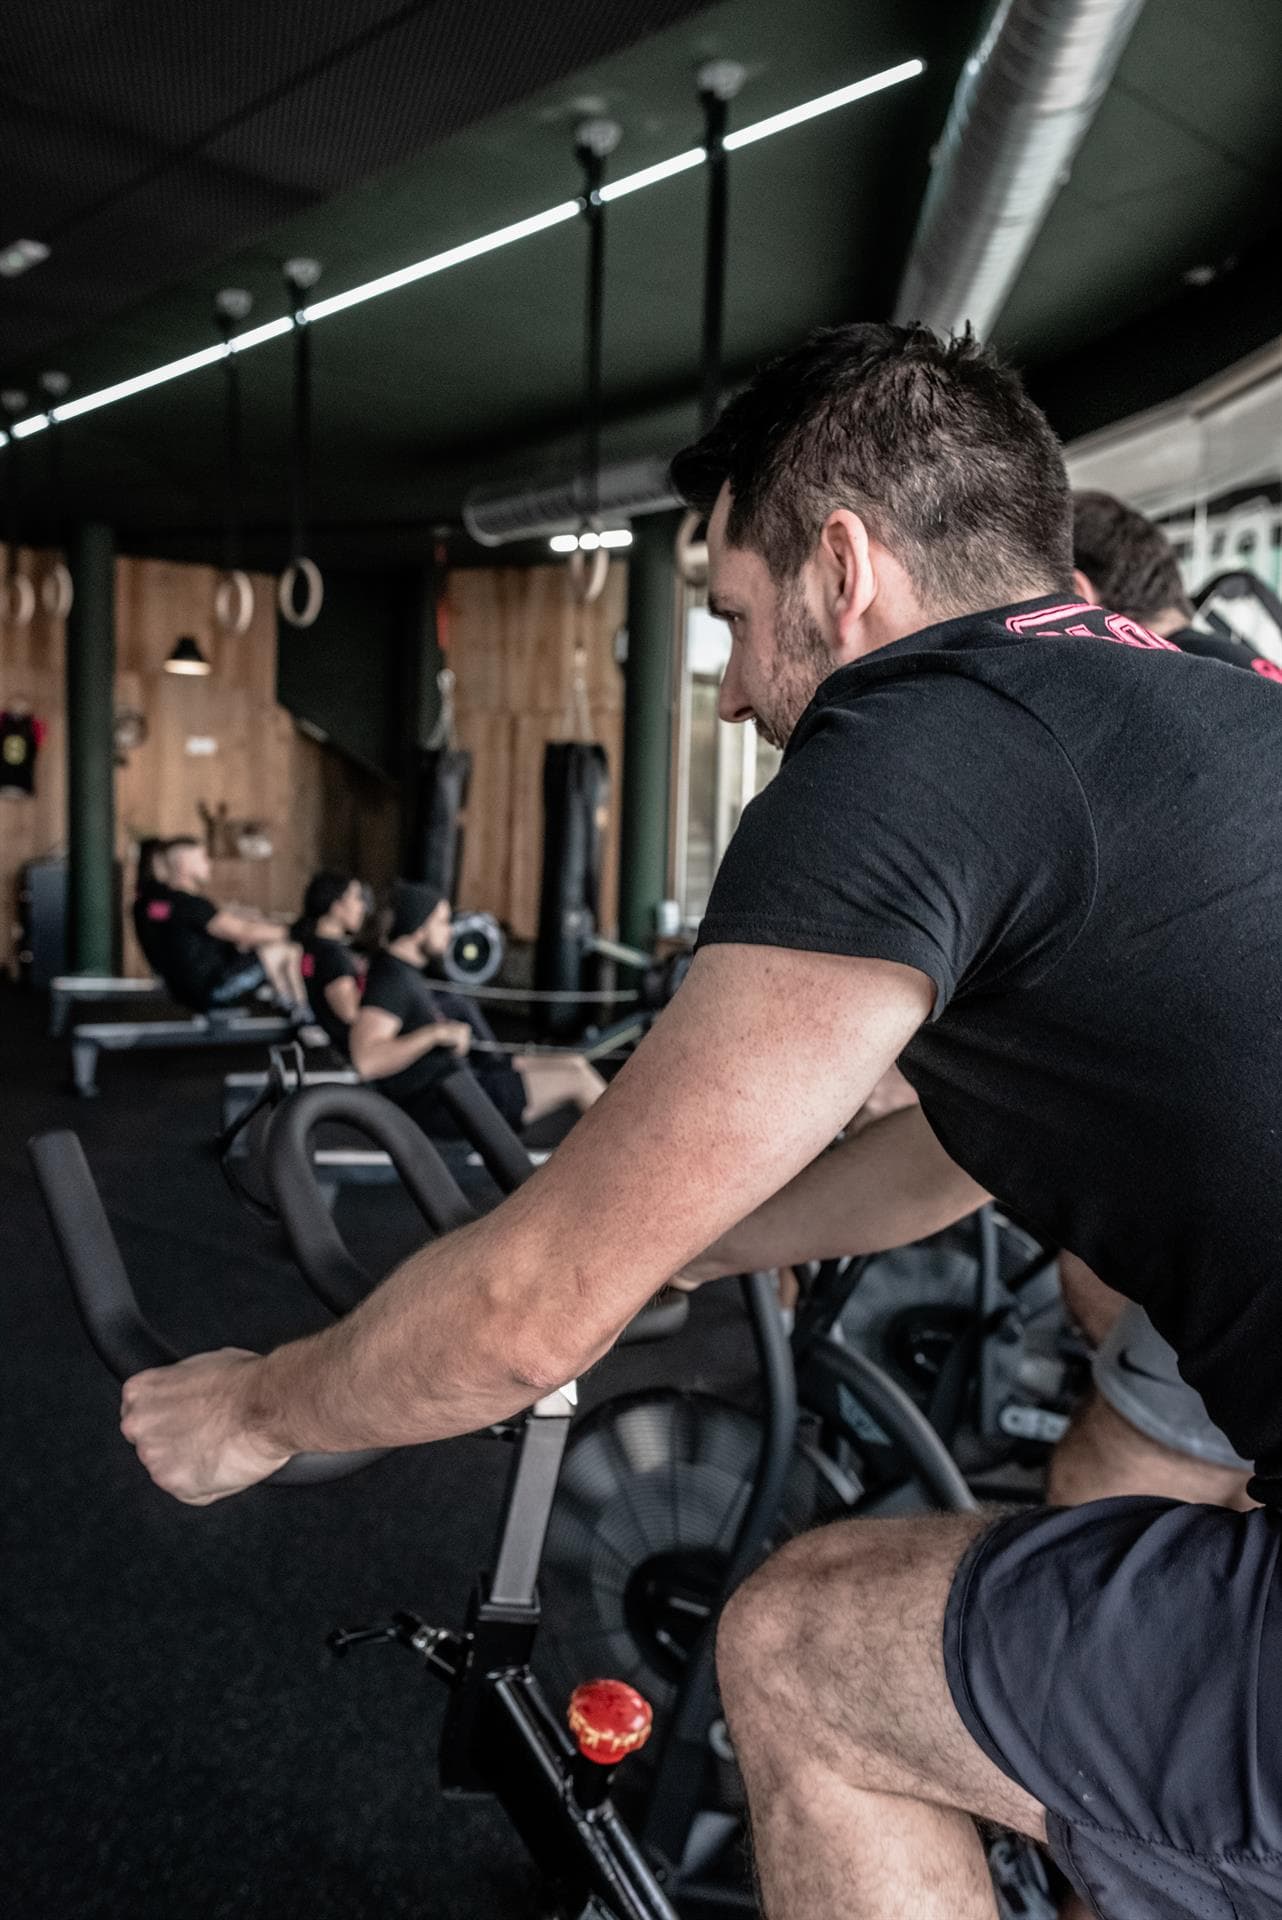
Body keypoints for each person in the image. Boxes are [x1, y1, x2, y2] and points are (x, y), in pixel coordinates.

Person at [119, 323, 1282, 1920]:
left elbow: (528, 1317)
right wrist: (700, 1238)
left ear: (841, 564)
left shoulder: (927, 729)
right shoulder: (1199, 722)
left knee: (805, 1652)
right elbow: (945, 1160)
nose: (733, 691)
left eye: (733, 618)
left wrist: (252, 1412)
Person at [350, 880, 606, 1134]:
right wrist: (435, 1034)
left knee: (575, 1063)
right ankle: (634, 1163)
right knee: (578, 1080)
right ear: (419, 928)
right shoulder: (392, 979)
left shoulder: (404, 972)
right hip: (448, 1103)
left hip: (462, 1082)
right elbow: (366, 1060)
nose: (450, 931)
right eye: (442, 922)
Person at [136, 835, 305, 1013]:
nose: (209, 863)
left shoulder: (162, 902)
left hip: (181, 992)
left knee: (257, 949)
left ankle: (286, 1004)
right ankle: (302, 1014)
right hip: (211, 994)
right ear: (185, 865)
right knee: (287, 949)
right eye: (202, 858)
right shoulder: (191, 905)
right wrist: (298, 930)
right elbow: (245, 932)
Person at [293, 871, 370, 1054]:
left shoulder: (314, 945)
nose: (362, 907)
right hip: (347, 1051)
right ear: (336, 906)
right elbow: (351, 1015)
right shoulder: (332, 956)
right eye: (357, 898)